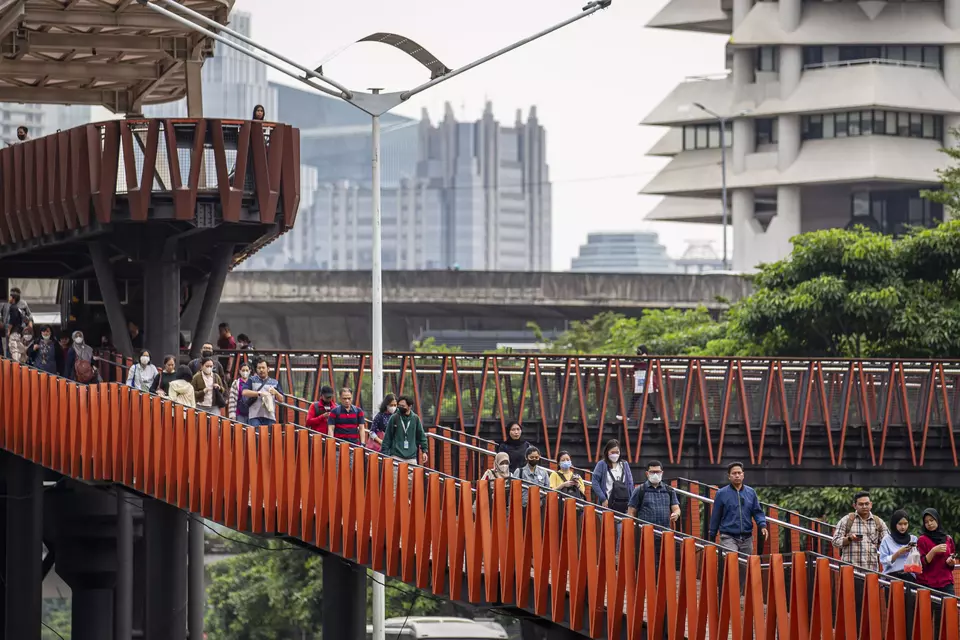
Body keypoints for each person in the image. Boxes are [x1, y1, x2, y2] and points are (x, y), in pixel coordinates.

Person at [709, 462, 768, 555]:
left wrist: (762, 525)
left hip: (747, 538)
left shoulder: (751, 492)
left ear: (743, 475)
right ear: (729, 476)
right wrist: (712, 534)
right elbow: (716, 515)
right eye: (734, 473)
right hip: (728, 536)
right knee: (731, 563)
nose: (737, 475)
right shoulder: (721, 493)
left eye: (739, 473)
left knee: (744, 567)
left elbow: (757, 511)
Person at [831, 491, 888, 571]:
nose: (864, 506)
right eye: (861, 504)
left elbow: (887, 543)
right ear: (855, 506)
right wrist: (850, 539)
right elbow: (835, 541)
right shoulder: (846, 520)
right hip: (850, 571)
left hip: (871, 571)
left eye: (867, 504)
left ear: (871, 505)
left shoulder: (878, 522)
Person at [627, 460, 680, 528]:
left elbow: (676, 509)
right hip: (645, 532)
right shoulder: (640, 490)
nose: (655, 474)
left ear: (662, 473)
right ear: (647, 473)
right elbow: (631, 512)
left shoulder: (669, 490)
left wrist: (676, 514)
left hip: (664, 532)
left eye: (657, 472)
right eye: (652, 472)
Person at [916, 508, 957, 595]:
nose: (929, 524)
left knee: (950, 607)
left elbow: (952, 556)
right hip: (928, 583)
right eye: (926, 522)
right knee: (934, 608)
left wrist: (951, 562)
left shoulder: (947, 539)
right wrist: (933, 551)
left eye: (932, 520)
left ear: (937, 520)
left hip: (946, 581)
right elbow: (921, 563)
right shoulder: (922, 540)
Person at [381, 396, 429, 465]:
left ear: (410, 406)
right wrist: (385, 454)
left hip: (411, 458)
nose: (400, 407)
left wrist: (424, 451)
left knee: (411, 476)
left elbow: (421, 436)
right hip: (396, 457)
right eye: (399, 405)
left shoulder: (415, 419)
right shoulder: (394, 418)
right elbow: (387, 438)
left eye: (403, 406)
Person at [591, 439, 634, 513]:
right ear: (607, 452)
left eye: (617, 452)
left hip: (624, 504)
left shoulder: (625, 464)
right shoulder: (602, 464)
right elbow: (595, 482)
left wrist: (631, 502)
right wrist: (603, 498)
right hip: (607, 504)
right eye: (612, 452)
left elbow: (630, 483)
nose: (615, 454)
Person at [617, 345, 659, 421]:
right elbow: (635, 366)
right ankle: (656, 416)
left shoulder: (646, 359)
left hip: (644, 380)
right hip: (642, 380)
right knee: (647, 400)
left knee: (635, 399)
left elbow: (642, 366)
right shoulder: (640, 359)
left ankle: (627, 416)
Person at [241, 357, 284, 427]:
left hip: (270, 416)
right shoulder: (251, 380)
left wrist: (276, 392)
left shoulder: (275, 382)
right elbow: (244, 392)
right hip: (254, 416)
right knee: (256, 436)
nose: (261, 370)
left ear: (268, 369)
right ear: (256, 370)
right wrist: (259, 393)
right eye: (259, 368)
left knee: (269, 437)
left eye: (263, 368)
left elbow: (281, 399)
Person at [879, 510, 918, 581]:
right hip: (891, 577)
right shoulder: (887, 539)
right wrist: (898, 553)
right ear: (894, 524)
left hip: (909, 578)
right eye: (900, 524)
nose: (903, 527)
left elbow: (916, 562)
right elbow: (883, 560)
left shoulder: (913, 539)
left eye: (905, 524)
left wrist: (913, 552)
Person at [4, 290, 27, 363]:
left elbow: (12, 320)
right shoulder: (18, 308)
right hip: (18, 331)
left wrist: (8, 330)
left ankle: (16, 364)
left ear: (13, 298)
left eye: (10, 297)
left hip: (14, 331)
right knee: (18, 345)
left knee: (14, 348)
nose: (9, 298)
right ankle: (24, 356)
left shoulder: (13, 307)